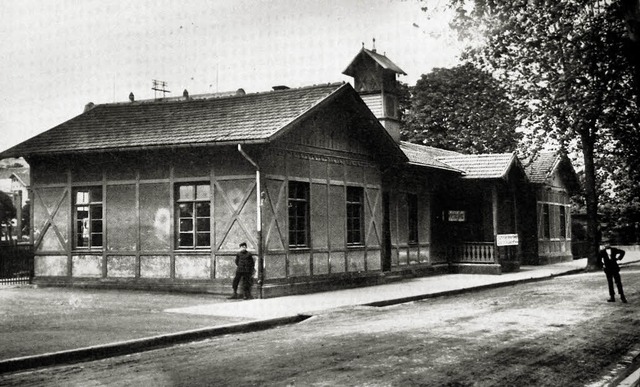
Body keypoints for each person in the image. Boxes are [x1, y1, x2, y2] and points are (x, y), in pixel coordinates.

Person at [597, 239, 627, 303]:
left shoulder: (614, 250)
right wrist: (602, 266)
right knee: (610, 283)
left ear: (610, 244)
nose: (606, 245)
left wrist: (618, 258)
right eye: (605, 244)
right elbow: (599, 260)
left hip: (615, 267)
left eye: (608, 243)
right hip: (607, 269)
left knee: (618, 282)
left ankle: (622, 296)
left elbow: (623, 252)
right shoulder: (602, 252)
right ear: (603, 245)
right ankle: (612, 297)